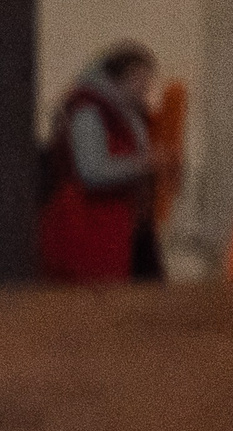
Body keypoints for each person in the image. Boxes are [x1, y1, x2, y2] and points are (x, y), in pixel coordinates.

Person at [38, 41, 172, 285]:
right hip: (91, 225)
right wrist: (144, 164)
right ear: (122, 76)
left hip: (123, 224)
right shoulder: (89, 111)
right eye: (140, 78)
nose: (146, 86)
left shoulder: (126, 112)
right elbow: (90, 171)